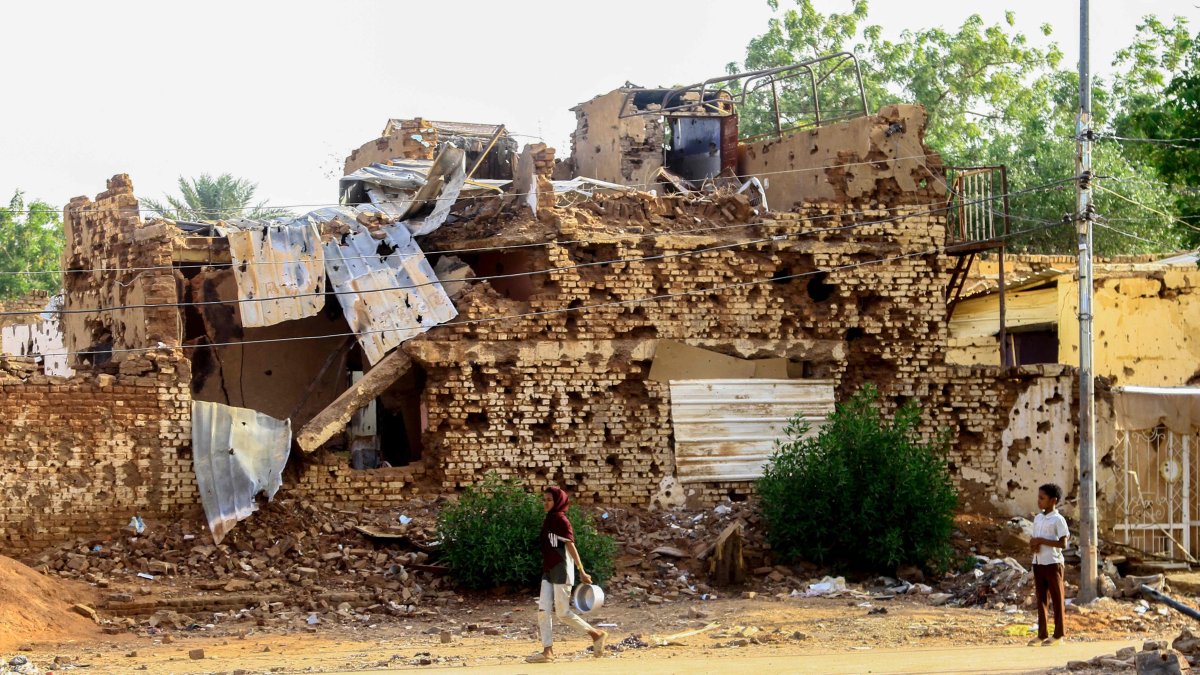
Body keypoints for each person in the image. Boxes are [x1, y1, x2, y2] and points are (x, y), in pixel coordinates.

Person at [526, 486, 607, 663]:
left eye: (549, 500)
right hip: (548, 571)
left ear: (557, 501)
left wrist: (582, 570)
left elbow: (571, 547)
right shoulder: (548, 520)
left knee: (562, 613)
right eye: (544, 500)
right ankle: (547, 651)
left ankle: (596, 634)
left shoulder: (561, 521)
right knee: (543, 610)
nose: (545, 503)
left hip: (562, 570)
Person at [1029, 482, 1070, 646]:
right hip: (1038, 562)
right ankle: (1042, 634)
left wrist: (1041, 541)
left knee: (1057, 599)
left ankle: (1059, 634)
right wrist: (1034, 544)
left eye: (1042, 498)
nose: (1039, 501)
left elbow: (1063, 543)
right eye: (1038, 497)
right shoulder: (1038, 518)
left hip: (1053, 564)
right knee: (1041, 599)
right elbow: (1035, 538)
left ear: (1053, 500)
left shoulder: (1058, 520)